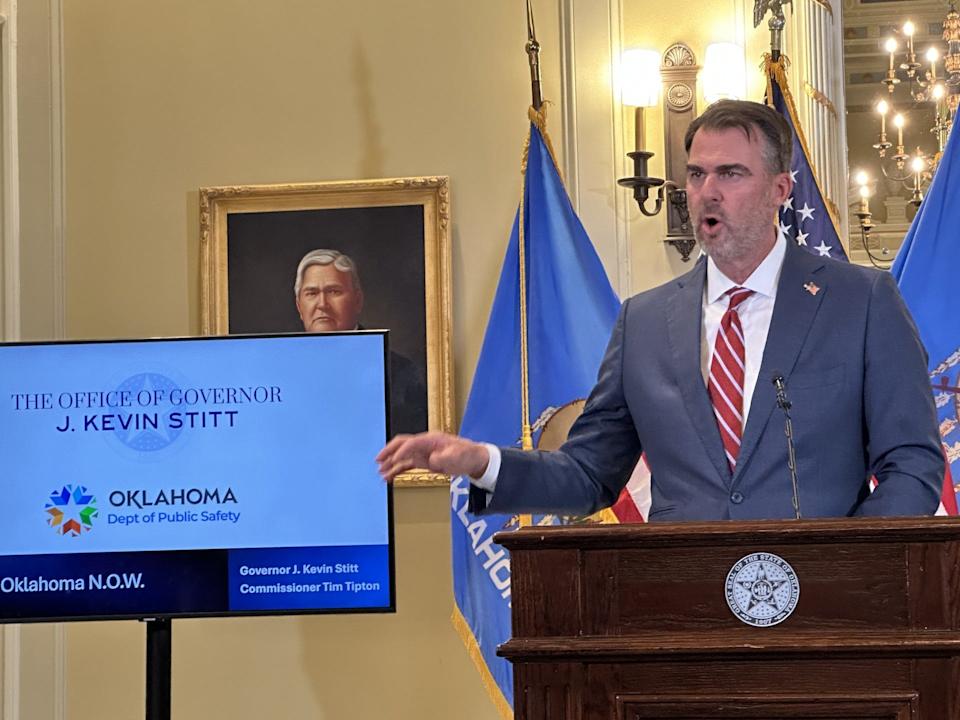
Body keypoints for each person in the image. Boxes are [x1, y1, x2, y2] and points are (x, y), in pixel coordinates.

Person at [377, 99, 943, 520]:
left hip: (826, 613)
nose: (707, 192)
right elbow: (590, 473)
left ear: (780, 190)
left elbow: (913, 464)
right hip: (680, 612)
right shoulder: (644, 322)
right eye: (696, 175)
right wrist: (482, 461)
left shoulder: (861, 302)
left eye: (731, 174)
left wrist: (849, 562)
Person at [294, 249, 428, 436]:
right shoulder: (281, 373)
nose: (322, 304)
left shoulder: (403, 375)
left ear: (357, 301)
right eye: (312, 293)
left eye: (334, 291)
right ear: (300, 306)